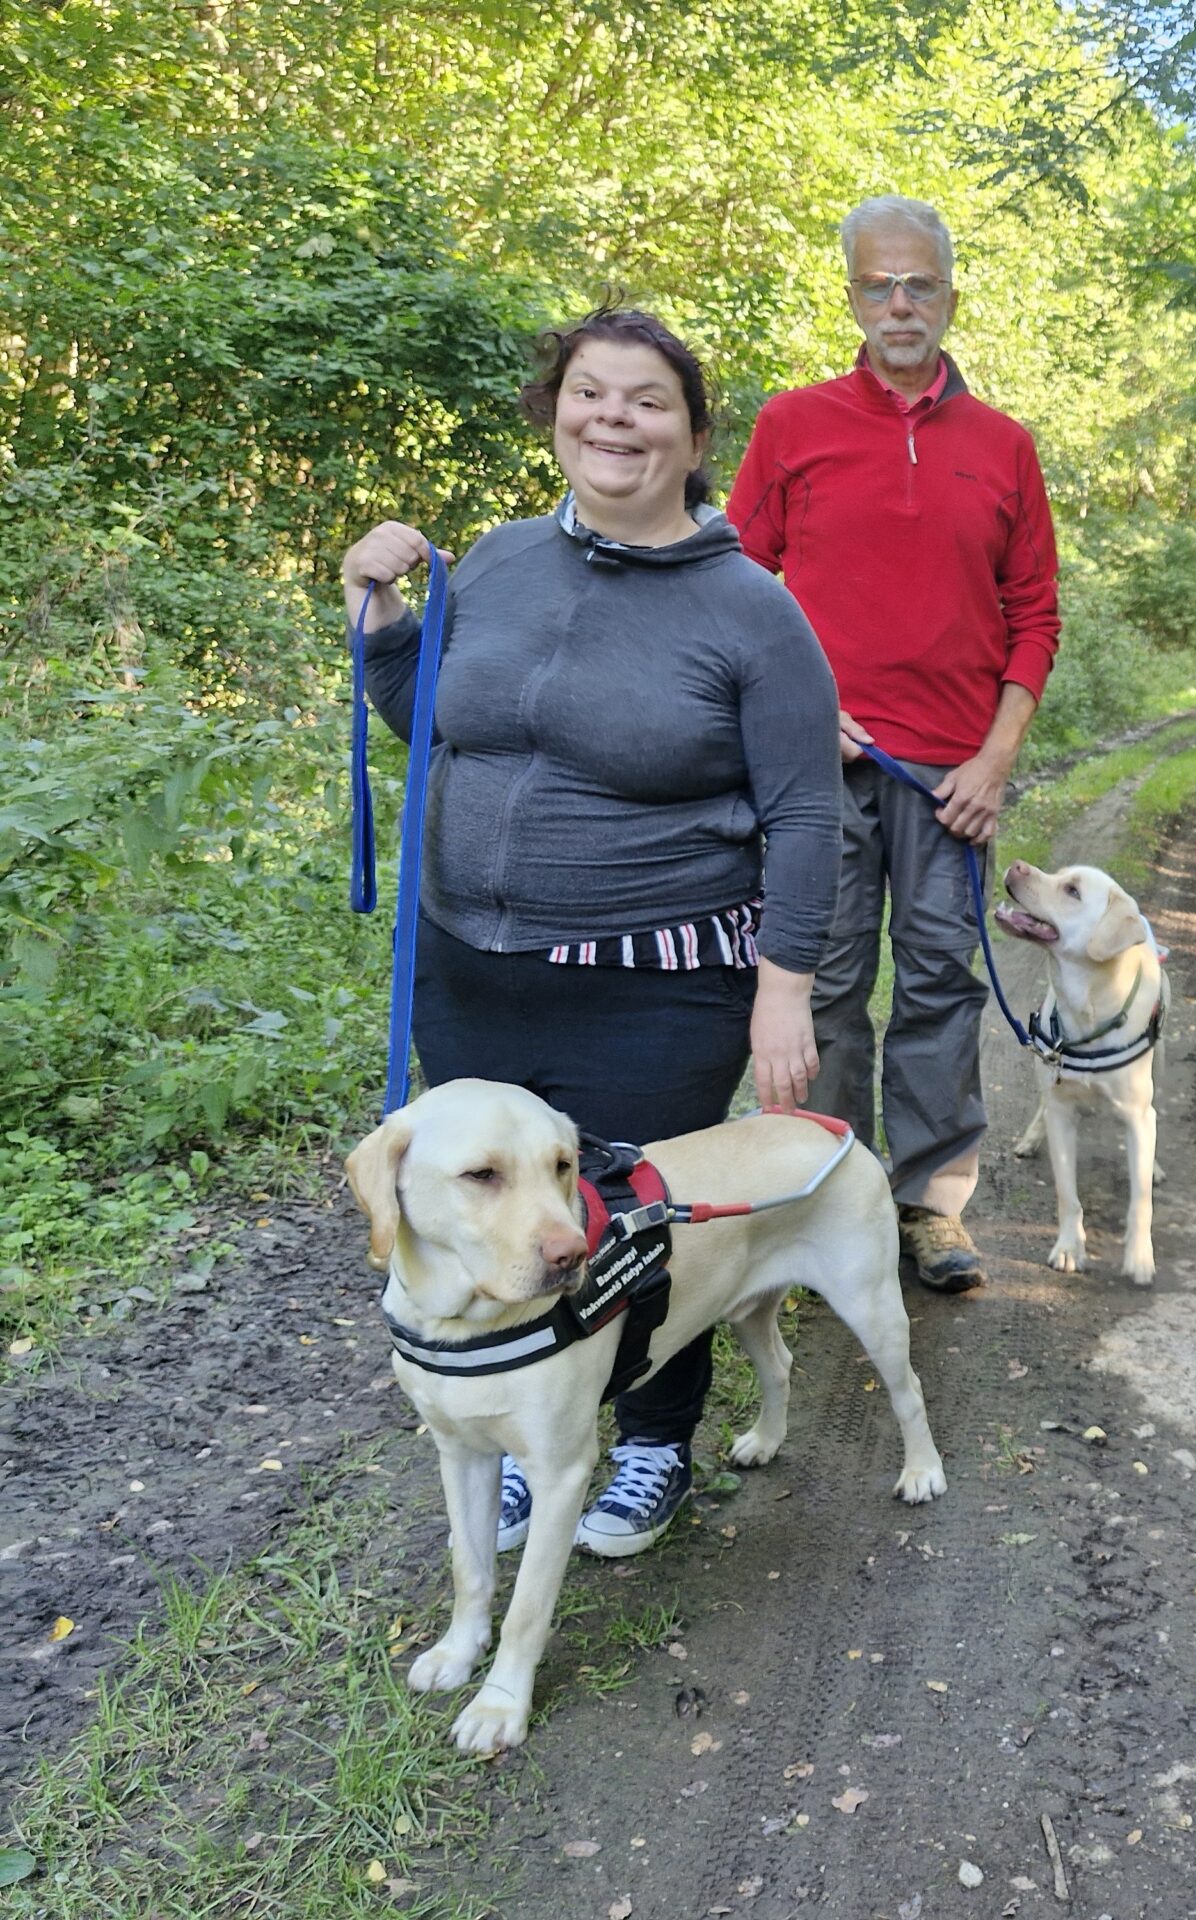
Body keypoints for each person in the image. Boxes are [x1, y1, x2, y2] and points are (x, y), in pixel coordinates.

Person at [342, 307, 841, 1559]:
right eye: (589, 392)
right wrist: (378, 609)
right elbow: (437, 722)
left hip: (654, 985)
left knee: (630, 1221)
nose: (612, 417)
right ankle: (530, 1438)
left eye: (646, 400)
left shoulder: (752, 612)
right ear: (554, 410)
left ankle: (656, 1443)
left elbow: (808, 814)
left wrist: (785, 990)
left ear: (692, 433)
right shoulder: (500, 560)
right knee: (496, 1217)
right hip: (469, 970)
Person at [727, 194, 1062, 1293]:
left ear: (951, 295)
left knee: (938, 985)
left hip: (949, 780)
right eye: (879, 284)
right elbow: (732, 587)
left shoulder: (1004, 446)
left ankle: (930, 1209)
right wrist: (793, 712)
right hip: (815, 775)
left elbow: (1035, 616)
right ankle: (825, 1203)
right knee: (820, 987)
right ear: (853, 296)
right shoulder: (795, 424)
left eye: (919, 283)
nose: (900, 302)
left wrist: (995, 759)